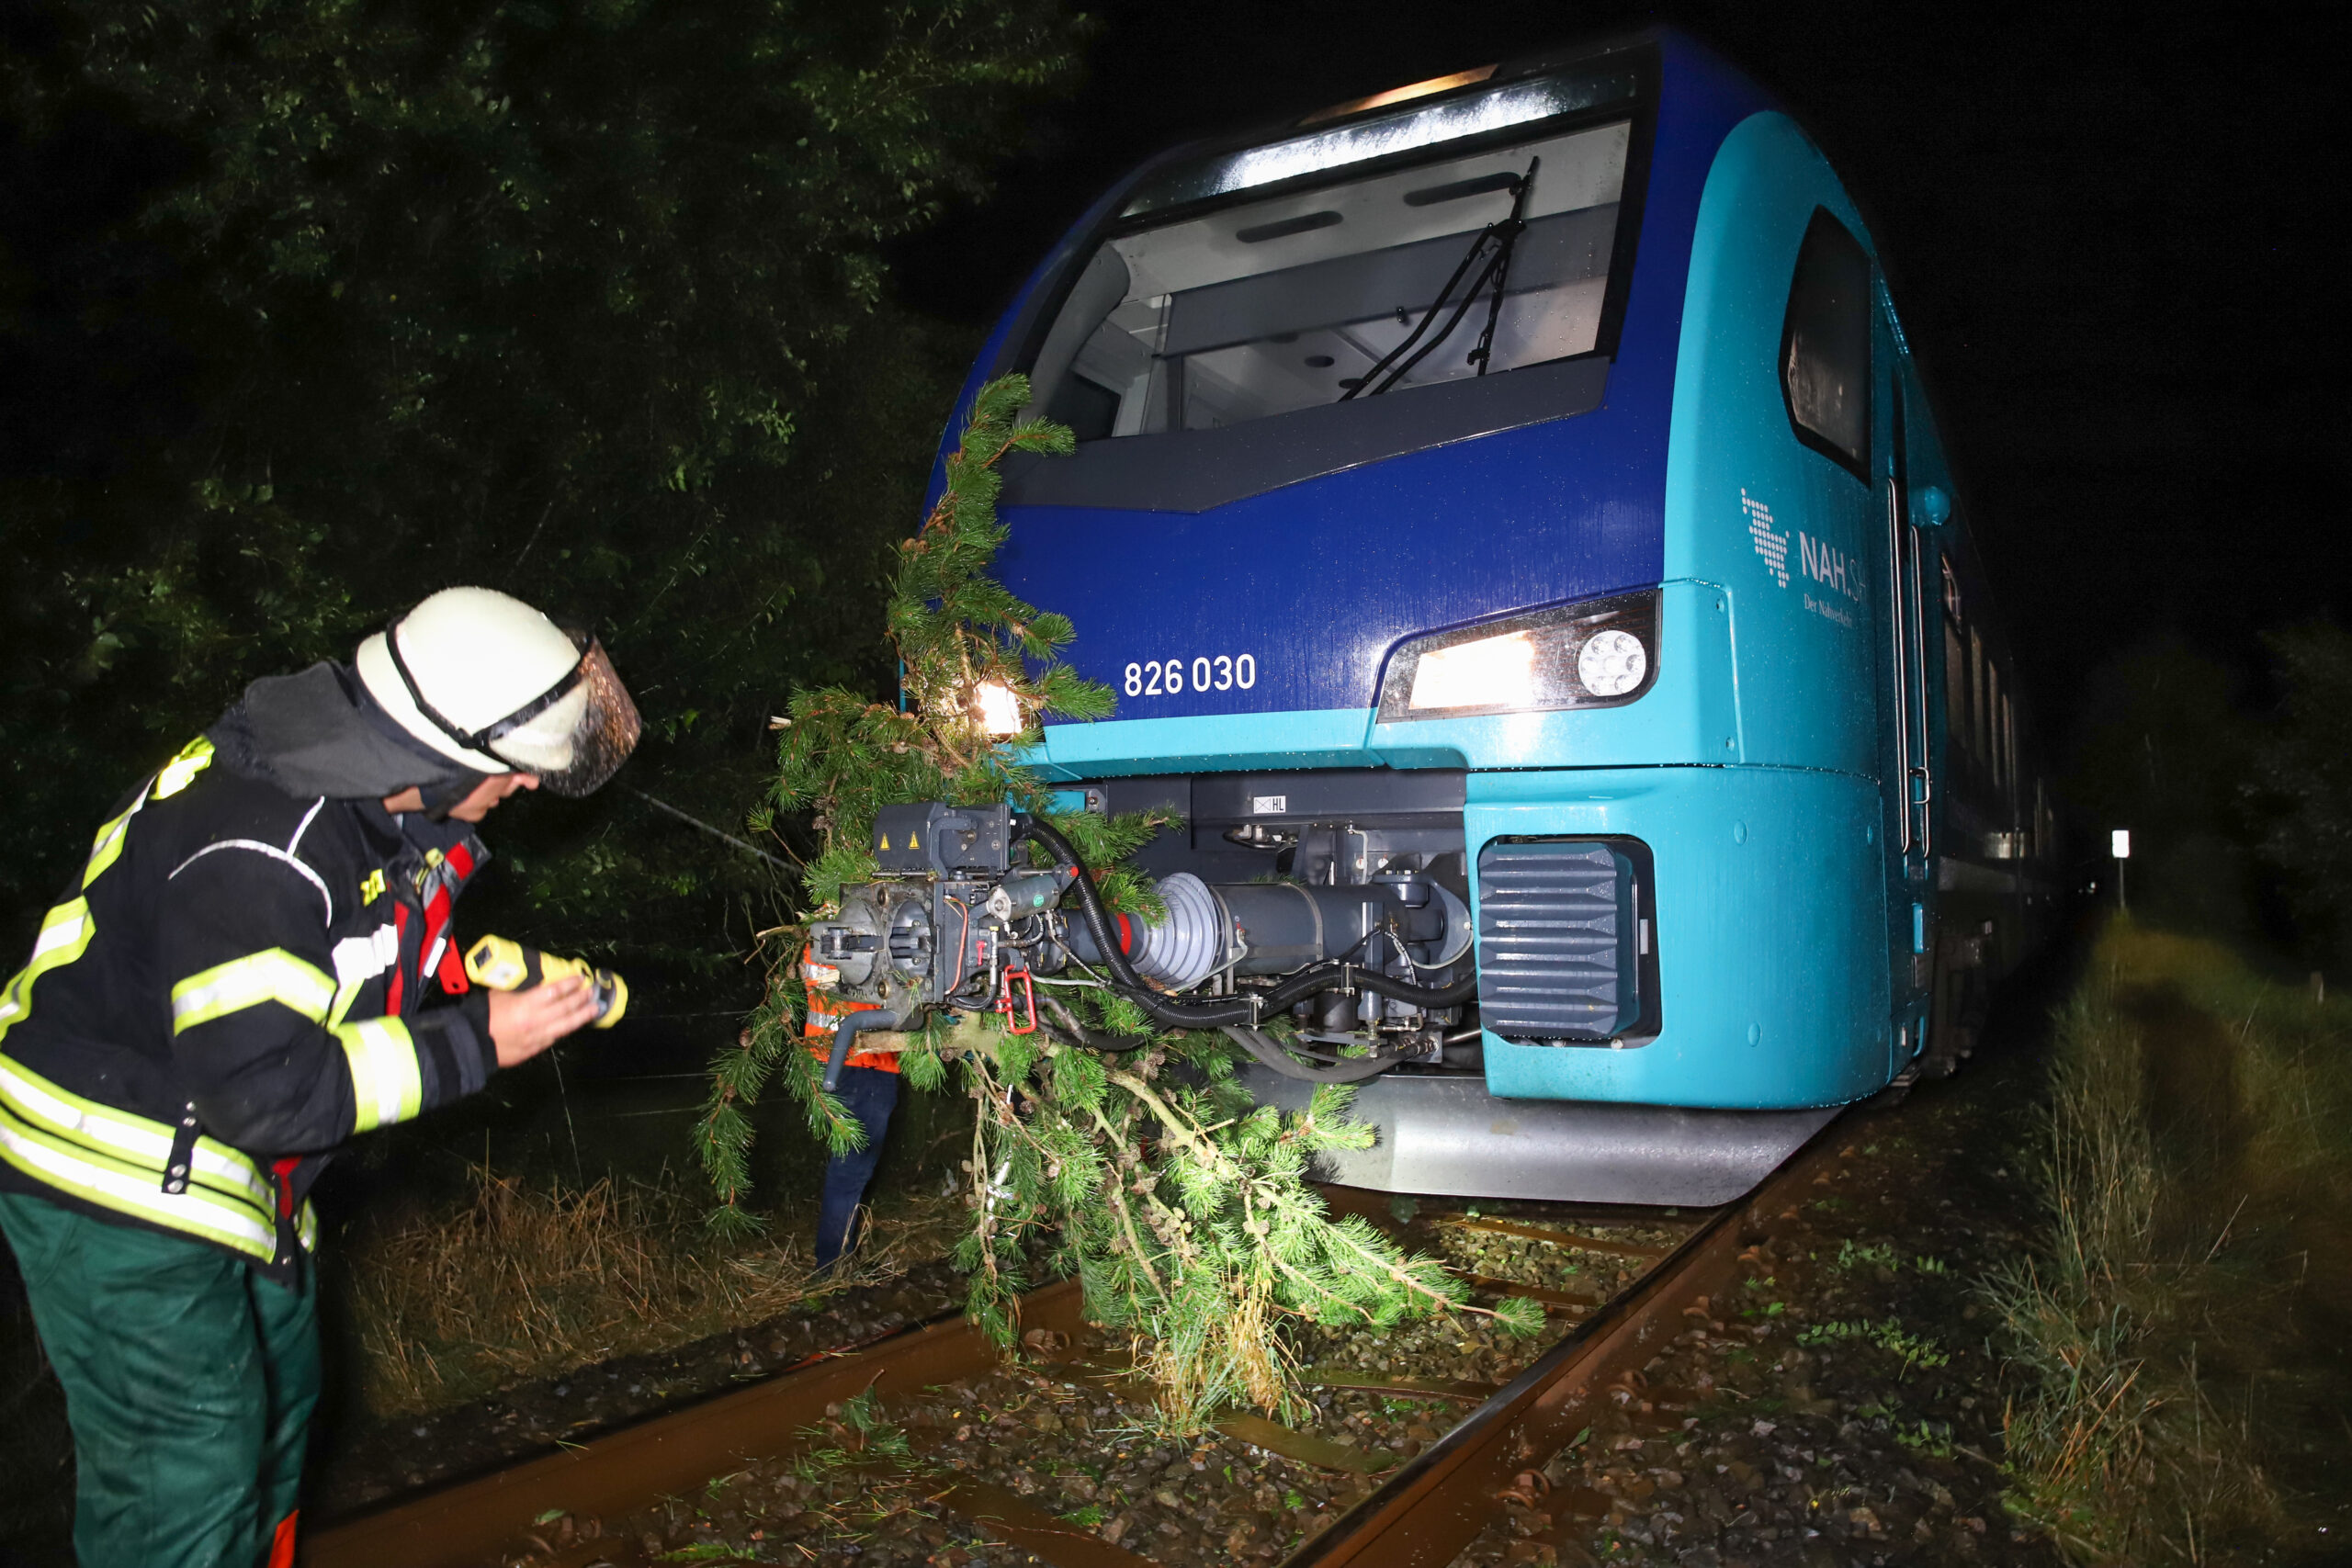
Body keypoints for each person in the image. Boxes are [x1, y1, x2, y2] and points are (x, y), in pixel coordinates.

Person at [0, 587, 639, 1568]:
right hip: (113, 1162)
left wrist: (473, 974)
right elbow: (260, 1090)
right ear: (441, 757)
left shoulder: (361, 788)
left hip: (221, 1155)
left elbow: (340, 952)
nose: (518, 792)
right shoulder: (261, 845)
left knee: (283, 1404)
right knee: (194, 1462)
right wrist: (475, 1041)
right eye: (514, 772)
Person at [801, 964, 897, 1275]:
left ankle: (833, 1260)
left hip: (826, 1058)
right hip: (863, 1061)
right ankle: (831, 1268)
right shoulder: (869, 924)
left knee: (846, 1168)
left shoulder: (820, 930)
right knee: (851, 1170)